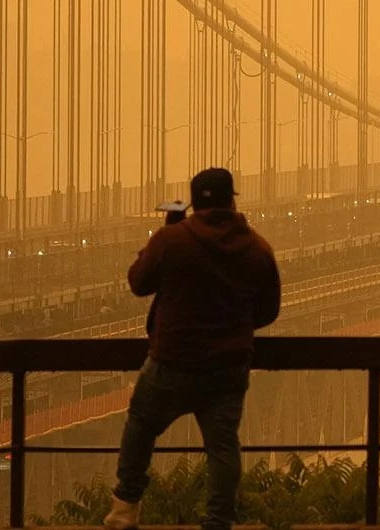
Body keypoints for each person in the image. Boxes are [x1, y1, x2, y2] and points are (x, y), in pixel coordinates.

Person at [105, 168, 281, 530]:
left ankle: (125, 510)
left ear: (193, 201)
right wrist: (234, 329)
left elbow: (139, 282)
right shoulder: (258, 248)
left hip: (172, 363)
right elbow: (268, 311)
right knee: (222, 446)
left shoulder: (173, 240)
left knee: (140, 425)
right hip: (229, 368)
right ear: (231, 200)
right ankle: (218, 521)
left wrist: (167, 231)